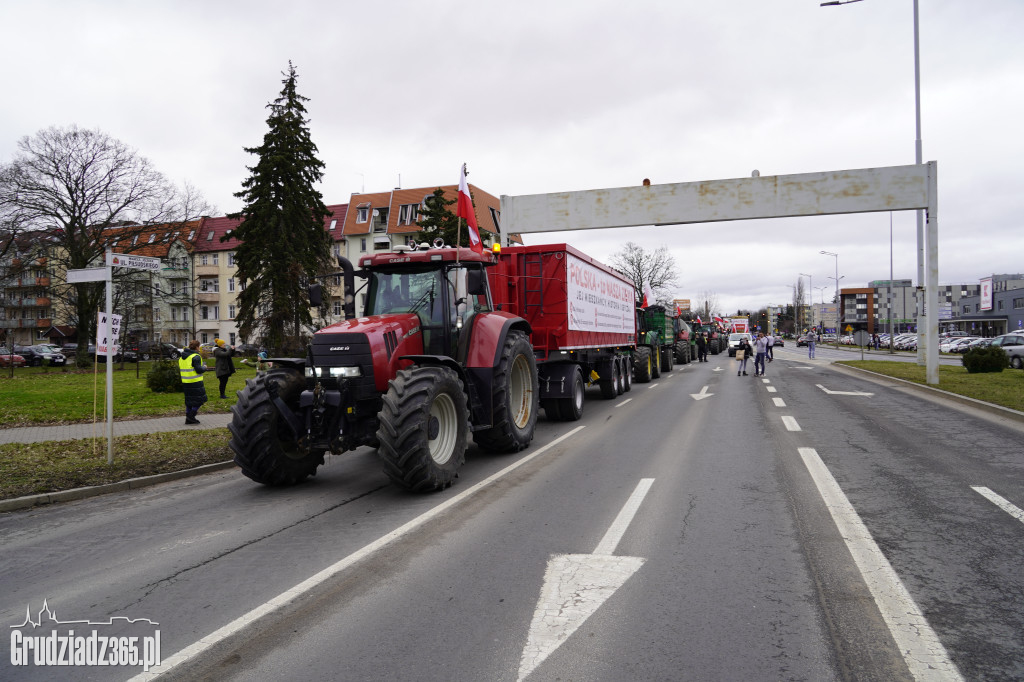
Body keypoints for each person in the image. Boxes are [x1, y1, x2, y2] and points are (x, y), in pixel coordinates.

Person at [179, 340, 208, 424]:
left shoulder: (182, 357)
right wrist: (204, 367)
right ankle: (191, 416)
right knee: (200, 400)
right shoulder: (195, 356)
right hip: (195, 381)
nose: (200, 348)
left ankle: (188, 417)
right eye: (199, 346)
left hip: (185, 381)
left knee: (189, 400)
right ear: (196, 347)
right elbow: (199, 370)